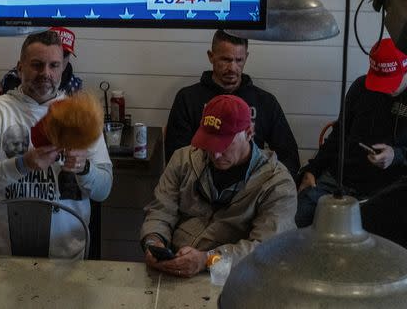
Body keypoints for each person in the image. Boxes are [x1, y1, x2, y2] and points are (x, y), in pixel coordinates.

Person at [0, 30, 112, 258]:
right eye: (37, 65)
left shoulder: (79, 114)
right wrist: (22, 164)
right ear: (20, 67)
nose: (46, 73)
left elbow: (103, 190)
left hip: (67, 261)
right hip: (0, 259)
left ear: (63, 68)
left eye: (54, 65)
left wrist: (85, 168)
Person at [142, 95, 297, 277]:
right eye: (209, 142)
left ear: (249, 133)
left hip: (236, 276)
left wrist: (207, 260)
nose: (215, 154)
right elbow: (160, 210)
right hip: (174, 265)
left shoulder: (277, 184)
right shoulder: (182, 159)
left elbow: (268, 248)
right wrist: (153, 243)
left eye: (224, 144)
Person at [296, 38, 407, 228]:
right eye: (379, 82)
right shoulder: (361, 87)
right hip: (340, 178)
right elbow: (338, 135)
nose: (385, 89)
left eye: (391, 82)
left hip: (386, 187)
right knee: (298, 215)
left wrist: (395, 155)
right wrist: (311, 170)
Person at [164, 30, 301, 179]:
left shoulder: (265, 101)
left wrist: (272, 186)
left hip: (253, 185)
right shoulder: (188, 98)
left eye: (239, 60)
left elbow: (289, 157)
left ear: (246, 57)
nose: (232, 68)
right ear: (211, 56)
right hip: (200, 184)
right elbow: (175, 156)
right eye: (226, 59)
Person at [0, 26, 83, 98]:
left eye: (65, 54)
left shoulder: (74, 83)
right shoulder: (13, 77)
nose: (45, 73)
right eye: (37, 65)